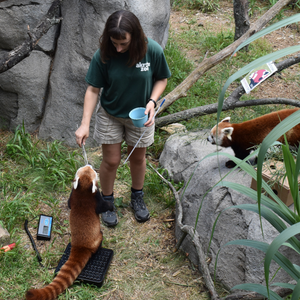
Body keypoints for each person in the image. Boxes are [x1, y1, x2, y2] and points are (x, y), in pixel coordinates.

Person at [75, 10, 171, 227]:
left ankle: (137, 196)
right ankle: (107, 201)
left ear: (135, 36)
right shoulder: (103, 55)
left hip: (140, 116)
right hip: (111, 115)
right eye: (114, 42)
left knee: (138, 158)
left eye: (123, 43)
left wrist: (152, 102)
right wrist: (84, 124)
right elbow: (92, 90)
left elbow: (162, 79)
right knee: (111, 160)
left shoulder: (151, 50)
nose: (118, 48)